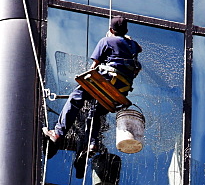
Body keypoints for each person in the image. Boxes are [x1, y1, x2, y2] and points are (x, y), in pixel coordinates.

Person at [43, 14, 142, 155]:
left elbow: (93, 67)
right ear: (126, 31)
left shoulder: (106, 41)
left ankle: (58, 133)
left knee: (76, 97)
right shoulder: (134, 47)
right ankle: (92, 144)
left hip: (105, 81)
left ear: (111, 30)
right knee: (95, 112)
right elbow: (137, 63)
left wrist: (109, 38)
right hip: (121, 91)